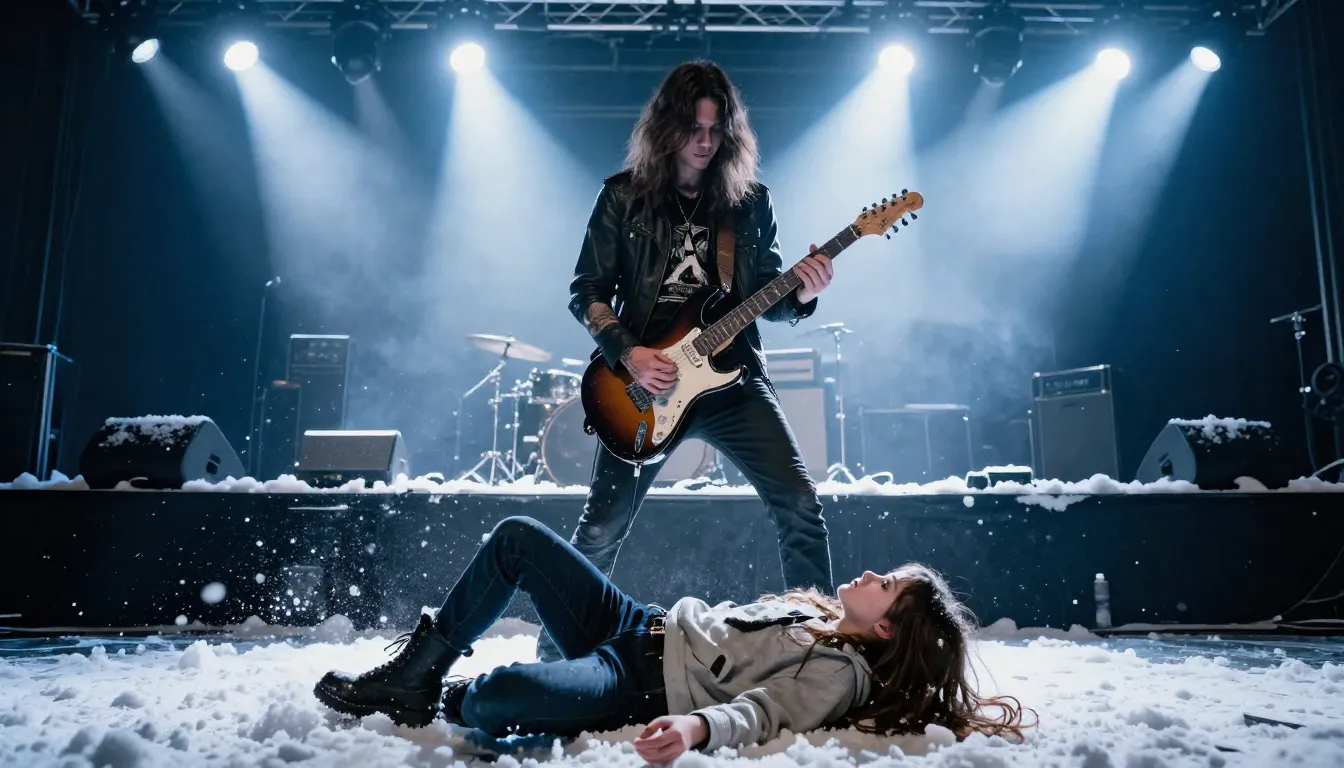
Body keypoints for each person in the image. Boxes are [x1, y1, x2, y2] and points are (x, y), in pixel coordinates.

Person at [314, 516, 1032, 759]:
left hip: (636, 682)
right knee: (517, 540)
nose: (872, 573)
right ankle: (415, 675)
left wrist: (695, 727)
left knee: (494, 699)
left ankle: (446, 694)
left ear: (886, 627)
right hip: (633, 621)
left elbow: (763, 714)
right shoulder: (813, 613)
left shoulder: (841, 672)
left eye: (887, 585)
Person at [552, 59, 836, 659]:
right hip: (645, 385)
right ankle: (554, 662)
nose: (705, 143)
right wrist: (628, 353)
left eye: (715, 130)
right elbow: (587, 291)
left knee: (800, 505)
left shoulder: (750, 203)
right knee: (601, 530)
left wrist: (803, 295)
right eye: (693, 129)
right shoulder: (623, 197)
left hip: (733, 381)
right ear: (667, 128)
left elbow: (769, 297)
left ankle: (821, 650)